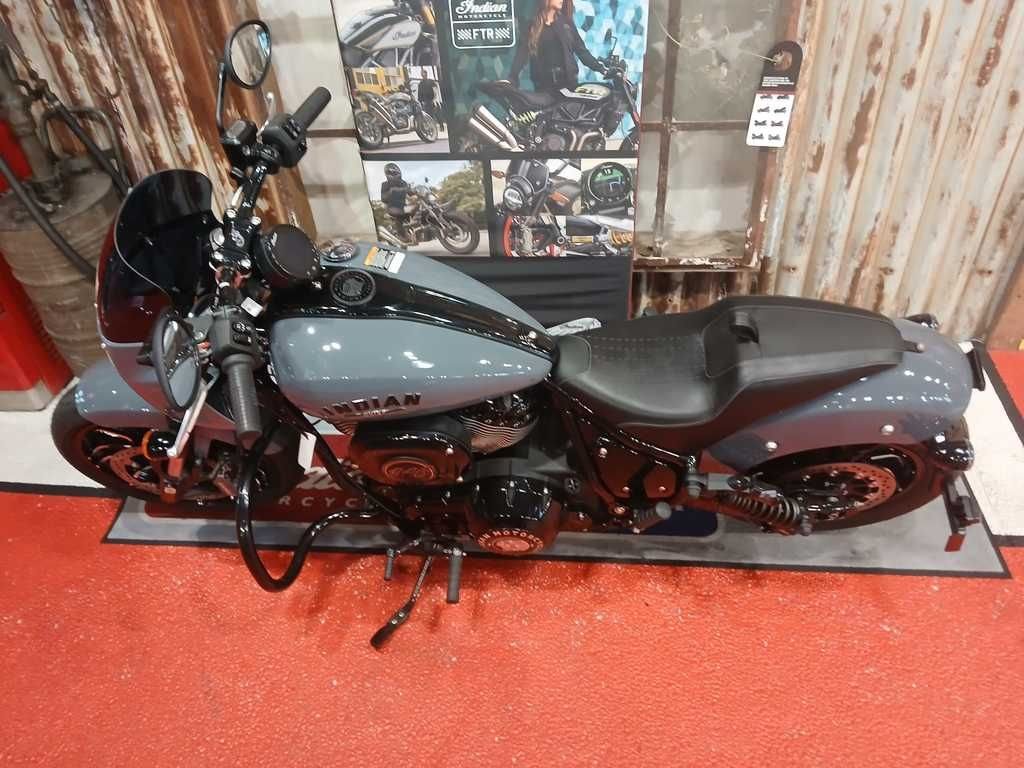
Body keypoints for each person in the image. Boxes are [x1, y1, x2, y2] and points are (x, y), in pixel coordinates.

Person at [508, 0, 606, 93]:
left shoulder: (567, 23)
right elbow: (521, 56)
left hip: (569, 84)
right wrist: (512, 79)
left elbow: (582, 52)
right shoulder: (531, 27)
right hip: (544, 88)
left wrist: (601, 69)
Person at [380, 163, 413, 241]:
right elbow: (383, 198)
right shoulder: (385, 184)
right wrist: (391, 192)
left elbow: (411, 192)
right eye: (393, 173)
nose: (395, 174)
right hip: (392, 207)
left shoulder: (403, 183)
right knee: (399, 214)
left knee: (417, 208)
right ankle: (402, 235)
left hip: (404, 206)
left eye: (396, 172)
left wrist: (416, 193)